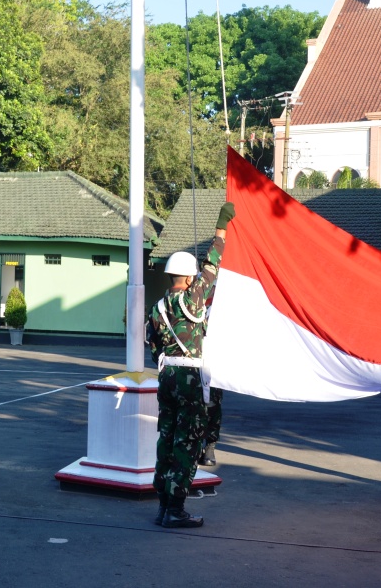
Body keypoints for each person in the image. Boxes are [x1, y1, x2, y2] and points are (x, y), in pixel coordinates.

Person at [147, 202, 234, 529]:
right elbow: (213, 264)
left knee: (166, 438)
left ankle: (163, 503)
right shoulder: (192, 298)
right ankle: (176, 508)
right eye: (193, 274)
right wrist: (221, 227)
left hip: (166, 375)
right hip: (187, 377)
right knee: (188, 440)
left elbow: (152, 345)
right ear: (186, 276)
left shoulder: (157, 308)